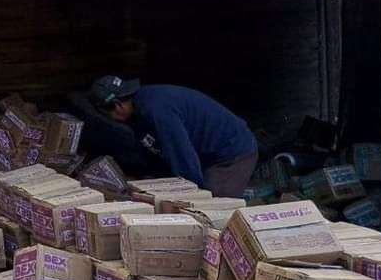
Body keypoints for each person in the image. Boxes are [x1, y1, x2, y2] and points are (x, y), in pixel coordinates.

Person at [89, 76, 258, 198]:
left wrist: (194, 196)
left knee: (213, 207)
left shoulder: (157, 111)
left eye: (106, 113)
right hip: (205, 153)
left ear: (117, 106)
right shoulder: (136, 115)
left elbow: (181, 153)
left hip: (231, 153)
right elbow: (153, 150)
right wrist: (148, 182)